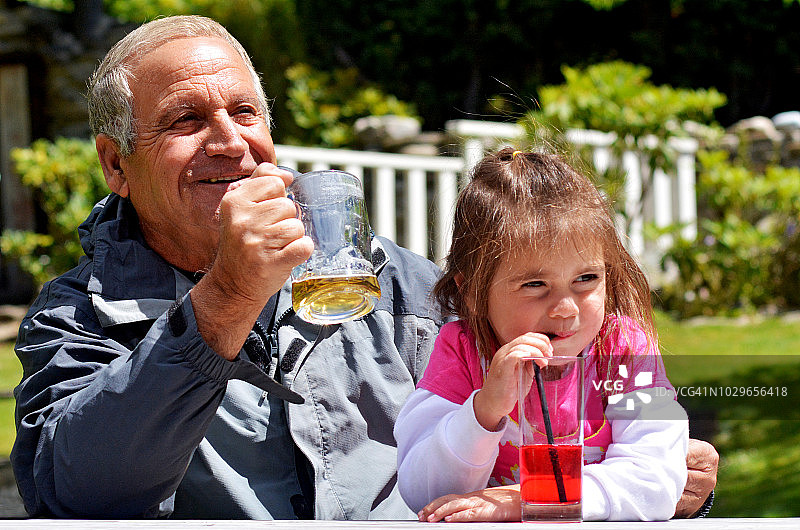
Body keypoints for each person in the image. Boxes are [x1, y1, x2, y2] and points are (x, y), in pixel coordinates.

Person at [10, 15, 716, 520]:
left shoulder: (404, 288)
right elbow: (77, 493)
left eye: (246, 112)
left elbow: (526, 438)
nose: (230, 142)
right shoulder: (78, 318)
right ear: (115, 164)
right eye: (185, 120)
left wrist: (636, 482)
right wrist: (227, 296)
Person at [394, 148, 692, 521]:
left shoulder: (621, 350)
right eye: (535, 284)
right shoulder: (464, 350)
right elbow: (423, 493)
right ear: (471, 291)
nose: (566, 308)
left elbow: (656, 481)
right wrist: (484, 411)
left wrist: (531, 498)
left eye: (586, 278)